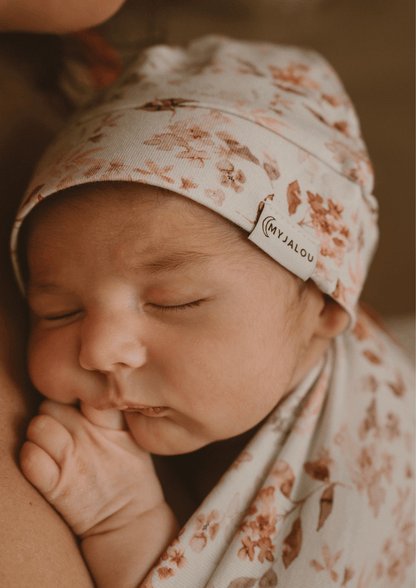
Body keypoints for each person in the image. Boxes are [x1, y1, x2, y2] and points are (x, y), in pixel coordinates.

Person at [13, 36, 414, 588]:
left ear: (322, 311)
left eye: (175, 301)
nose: (99, 349)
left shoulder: (361, 473)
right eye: (55, 311)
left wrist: (126, 522)